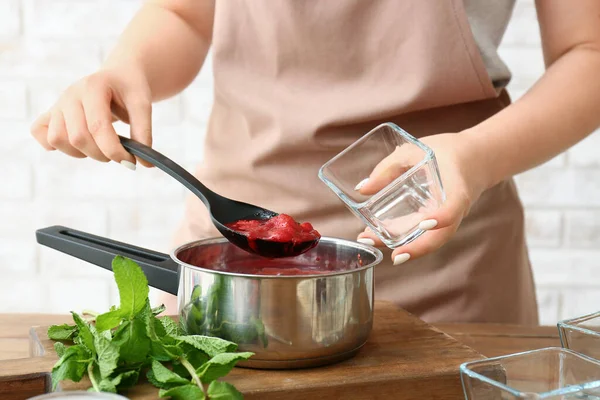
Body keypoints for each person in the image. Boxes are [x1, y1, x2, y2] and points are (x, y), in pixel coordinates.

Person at [30, 0, 600, 325]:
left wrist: (478, 156)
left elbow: (589, 52)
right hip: (233, 264)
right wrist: (127, 67)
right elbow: (185, 14)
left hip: (442, 244)